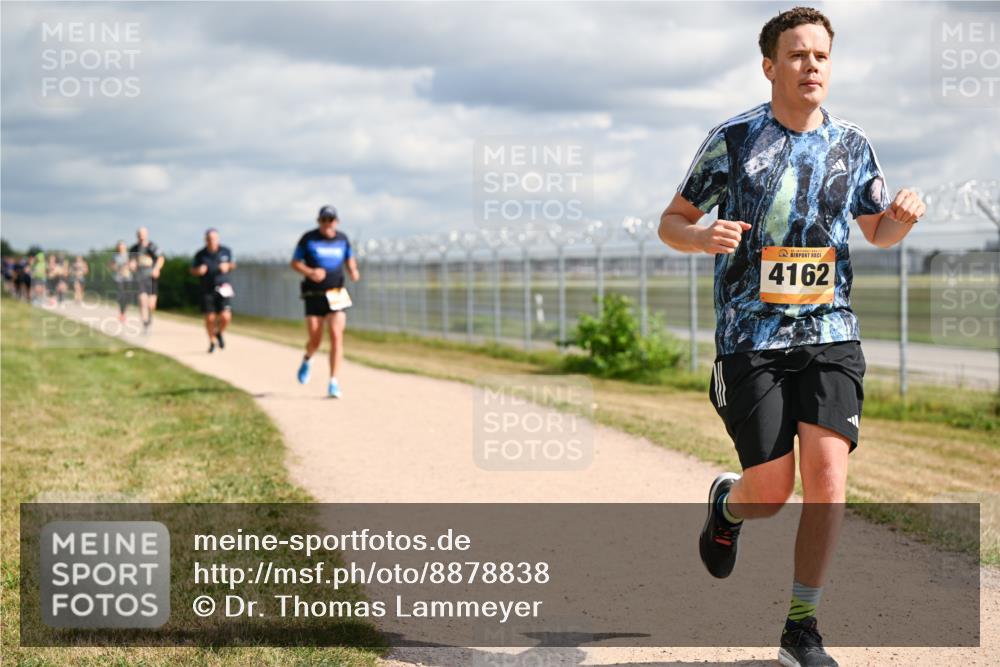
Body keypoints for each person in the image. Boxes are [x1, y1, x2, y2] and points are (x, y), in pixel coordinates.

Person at [657, 7, 925, 667]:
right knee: (771, 492)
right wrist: (700, 236)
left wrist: (899, 219)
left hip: (831, 331)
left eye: (822, 56)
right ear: (770, 65)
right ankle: (729, 504)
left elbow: (876, 230)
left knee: (829, 477)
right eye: (798, 55)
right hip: (753, 337)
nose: (812, 66)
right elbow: (672, 219)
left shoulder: (852, 143)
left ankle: (801, 627)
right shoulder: (735, 139)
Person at [290, 205, 360, 398]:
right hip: (314, 294)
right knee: (316, 339)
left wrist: (353, 270)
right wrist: (310, 272)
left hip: (337, 292)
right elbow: (295, 263)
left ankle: (333, 382)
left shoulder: (343, 239)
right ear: (319, 221)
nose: (327, 223)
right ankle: (308, 358)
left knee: (337, 336)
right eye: (324, 220)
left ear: (336, 221)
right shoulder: (308, 239)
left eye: (331, 220)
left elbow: (350, 259)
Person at [191, 228, 236, 353]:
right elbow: (192, 269)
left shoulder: (226, 251)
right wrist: (199, 270)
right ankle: (211, 342)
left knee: (226, 316)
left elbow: (233, 264)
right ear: (206, 240)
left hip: (223, 287)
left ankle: (219, 332)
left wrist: (227, 266)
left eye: (214, 238)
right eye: (209, 239)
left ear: (218, 239)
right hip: (207, 289)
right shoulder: (200, 254)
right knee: (210, 318)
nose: (212, 241)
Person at [128, 227, 164, 331]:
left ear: (146, 234)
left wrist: (156, 269)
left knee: (151, 304)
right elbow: (131, 262)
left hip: (151, 278)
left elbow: (161, 258)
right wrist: (132, 265)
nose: (141, 236)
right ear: (137, 235)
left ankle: (149, 317)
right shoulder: (134, 249)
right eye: (139, 234)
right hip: (140, 277)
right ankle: (145, 323)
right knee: (142, 300)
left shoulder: (152, 246)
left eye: (143, 234)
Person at [110, 241, 133, 322]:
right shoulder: (115, 256)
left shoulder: (129, 255)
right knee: (120, 295)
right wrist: (116, 267)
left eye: (122, 246)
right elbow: (111, 265)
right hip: (118, 278)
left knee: (127, 296)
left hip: (128, 277)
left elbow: (133, 266)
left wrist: (128, 266)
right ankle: (121, 313)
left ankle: (124, 312)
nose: (121, 248)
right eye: (119, 247)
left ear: (125, 247)